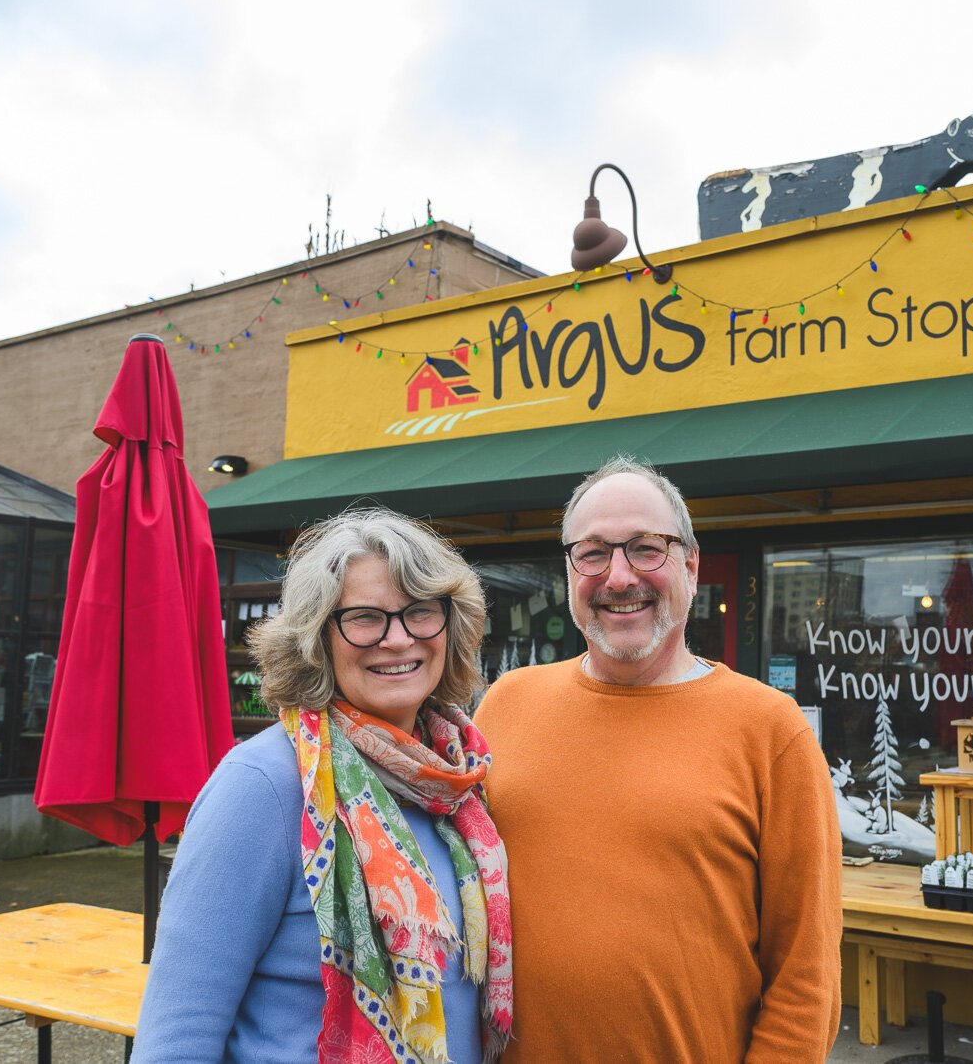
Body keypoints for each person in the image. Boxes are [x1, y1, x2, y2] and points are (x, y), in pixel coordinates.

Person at [473, 455, 841, 1064]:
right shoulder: (507, 704)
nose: (618, 577)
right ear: (569, 570)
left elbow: (808, 973)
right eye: (592, 553)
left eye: (646, 548)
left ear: (690, 566)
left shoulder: (771, 729)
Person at [133, 508, 512, 1064]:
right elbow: (176, 1039)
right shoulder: (260, 786)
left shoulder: (458, 779)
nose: (398, 638)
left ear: (452, 626)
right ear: (316, 637)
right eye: (364, 618)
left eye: (420, 612)